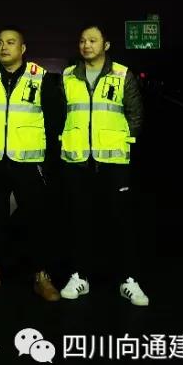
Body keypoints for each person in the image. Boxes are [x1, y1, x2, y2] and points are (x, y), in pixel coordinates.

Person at [58, 23, 149, 307]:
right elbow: (61, 113)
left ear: (106, 45)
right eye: (82, 40)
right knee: (79, 221)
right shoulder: (68, 76)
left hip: (113, 161)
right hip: (77, 160)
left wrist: (120, 142)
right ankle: (80, 276)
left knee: (120, 222)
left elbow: (135, 115)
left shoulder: (122, 74)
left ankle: (128, 280)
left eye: (93, 40)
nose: (86, 45)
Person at [0, 28, 60, 301]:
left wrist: (48, 163)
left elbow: (54, 121)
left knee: (36, 220)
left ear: (23, 48)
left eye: (10, 42)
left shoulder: (40, 76)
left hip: (28, 162)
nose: (4, 47)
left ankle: (41, 275)